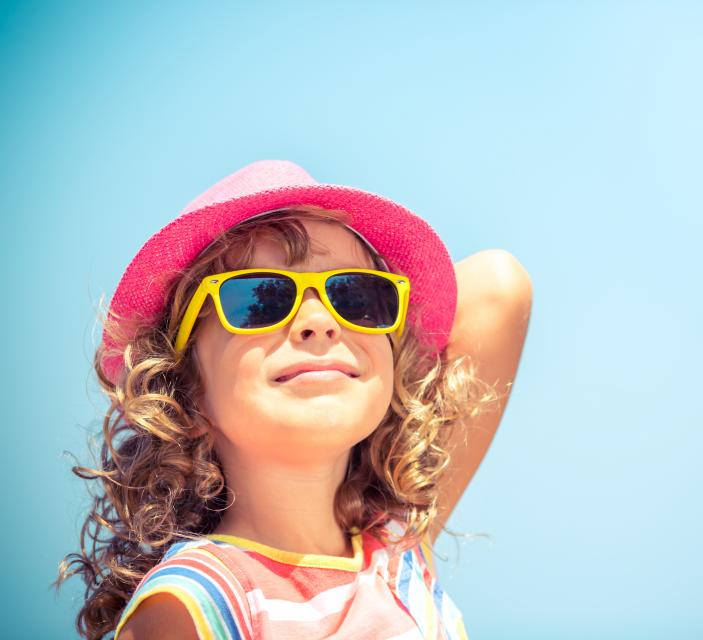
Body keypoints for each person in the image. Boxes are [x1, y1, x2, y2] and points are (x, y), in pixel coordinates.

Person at [53, 160, 533, 639]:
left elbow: (499, 284)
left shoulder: (396, 549)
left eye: (358, 297)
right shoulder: (195, 601)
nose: (321, 321)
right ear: (184, 390)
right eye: (260, 299)